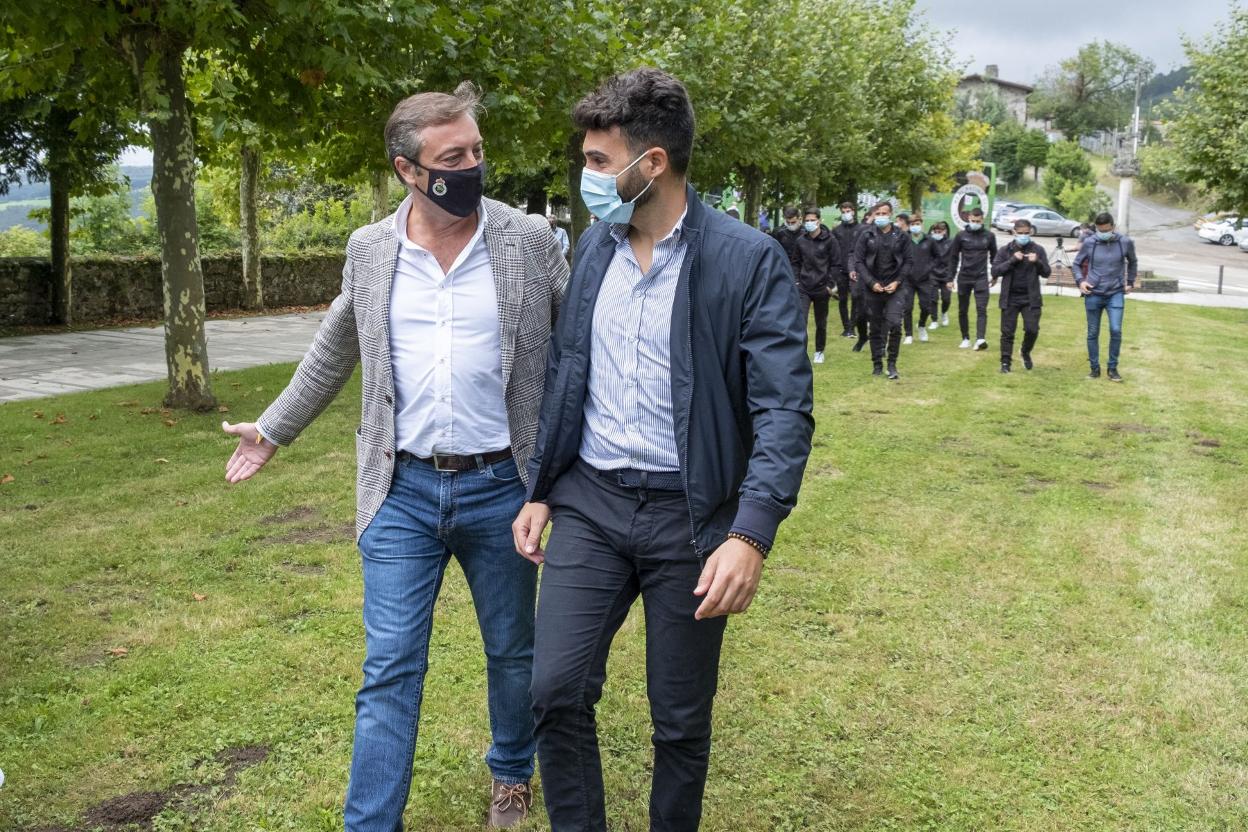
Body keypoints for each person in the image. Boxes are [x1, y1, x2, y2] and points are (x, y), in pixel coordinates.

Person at [220, 83, 569, 830]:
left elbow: (578, 351)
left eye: (476, 150)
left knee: (513, 653)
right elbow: (334, 348)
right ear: (409, 169)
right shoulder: (370, 249)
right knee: (389, 670)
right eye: (453, 156)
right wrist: (274, 429)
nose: (472, 165)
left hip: (504, 486)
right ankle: (370, 823)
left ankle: (512, 774)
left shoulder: (527, 240)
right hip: (401, 490)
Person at [512, 68, 813, 832]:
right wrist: (544, 487)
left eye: (597, 161)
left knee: (680, 719)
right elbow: (567, 373)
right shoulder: (592, 252)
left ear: (653, 165)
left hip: (693, 516)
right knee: (555, 691)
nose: (586, 177)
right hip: (593, 505)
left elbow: (783, 407)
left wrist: (750, 532)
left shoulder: (747, 260)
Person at [1073, 211, 1137, 381]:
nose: (1102, 233)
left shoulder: (1125, 242)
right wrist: (1081, 281)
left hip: (1115, 293)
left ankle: (1112, 368)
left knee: (1116, 330)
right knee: (1093, 332)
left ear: (1113, 227)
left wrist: (1130, 281)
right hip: (1093, 293)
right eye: (1100, 230)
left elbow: (1133, 262)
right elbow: (1077, 264)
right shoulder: (1089, 242)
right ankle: (1094, 369)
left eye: (1106, 230)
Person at [853, 200, 912, 379]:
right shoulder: (866, 235)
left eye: (884, 213)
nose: (880, 217)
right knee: (876, 327)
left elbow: (909, 261)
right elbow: (858, 261)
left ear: (891, 214)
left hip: (895, 287)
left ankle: (892, 364)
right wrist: (871, 283)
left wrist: (897, 282)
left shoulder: (901, 236)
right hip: (873, 287)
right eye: (877, 214)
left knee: (895, 324)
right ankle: (877, 364)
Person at [991, 218, 1050, 373]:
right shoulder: (1005, 250)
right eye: (1020, 233)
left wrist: (1037, 262)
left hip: (1030, 298)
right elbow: (995, 271)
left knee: (1032, 329)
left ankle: (1025, 351)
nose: (1023, 236)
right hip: (1010, 297)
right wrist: (1012, 260)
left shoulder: (1038, 249)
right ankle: (1005, 363)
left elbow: (1047, 273)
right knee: (1007, 332)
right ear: (1014, 232)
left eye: (1026, 233)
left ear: (1030, 232)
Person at [793, 206, 842, 364]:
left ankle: (819, 351)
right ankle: (801, 352)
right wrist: (796, 280)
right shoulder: (800, 241)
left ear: (819, 221)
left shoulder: (830, 240)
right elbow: (795, 262)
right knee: (800, 320)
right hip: (804, 287)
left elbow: (836, 264)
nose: (809, 223)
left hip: (822, 288)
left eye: (812, 220)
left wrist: (830, 284)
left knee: (821, 322)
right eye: (806, 221)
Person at [948, 206, 998, 350]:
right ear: (968, 219)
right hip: (964, 277)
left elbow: (994, 257)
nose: (975, 223)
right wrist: (950, 278)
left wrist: (994, 275)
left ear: (982, 220)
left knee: (981, 309)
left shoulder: (989, 236)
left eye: (978, 221)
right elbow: (953, 257)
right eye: (972, 220)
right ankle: (965, 338)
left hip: (981, 278)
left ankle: (981, 339)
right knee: (962, 309)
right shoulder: (961, 236)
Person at [831, 201, 862, 339]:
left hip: (856, 269)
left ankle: (852, 327)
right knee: (843, 299)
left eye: (848, 211)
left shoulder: (861, 229)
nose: (846, 214)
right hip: (841, 269)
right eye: (843, 211)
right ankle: (846, 327)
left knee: (856, 297)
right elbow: (834, 250)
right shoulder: (837, 231)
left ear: (853, 211)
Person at [898, 212, 931, 344]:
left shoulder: (929, 240)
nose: (915, 226)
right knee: (907, 307)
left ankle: (922, 325)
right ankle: (909, 334)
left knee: (926, 306)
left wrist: (929, 269)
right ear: (909, 226)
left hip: (925, 279)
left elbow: (936, 258)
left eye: (917, 224)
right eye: (912, 224)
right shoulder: (904, 240)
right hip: (908, 280)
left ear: (921, 225)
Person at [920, 220, 952, 333]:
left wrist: (951, 276)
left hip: (946, 275)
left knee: (946, 298)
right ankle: (934, 320)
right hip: (932, 274)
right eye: (935, 231)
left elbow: (953, 260)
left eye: (940, 231)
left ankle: (944, 313)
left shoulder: (950, 243)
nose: (937, 233)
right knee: (933, 299)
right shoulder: (929, 242)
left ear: (944, 231)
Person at [771, 206, 803, 273]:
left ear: (799, 219)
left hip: (802, 269)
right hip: (783, 268)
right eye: (788, 222)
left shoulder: (806, 233)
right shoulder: (779, 232)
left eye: (793, 222)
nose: (790, 225)